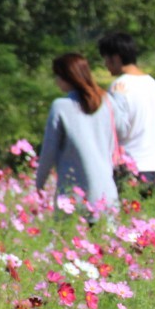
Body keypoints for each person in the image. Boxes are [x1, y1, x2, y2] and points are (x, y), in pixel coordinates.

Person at [36, 54, 120, 218]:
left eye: (57, 76)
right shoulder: (107, 102)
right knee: (105, 243)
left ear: (66, 78)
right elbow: (122, 129)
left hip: (74, 196)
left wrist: (40, 182)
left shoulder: (61, 106)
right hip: (106, 194)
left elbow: (49, 151)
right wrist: (120, 98)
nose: (56, 81)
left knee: (70, 241)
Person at [97, 32, 155, 196]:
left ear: (115, 58)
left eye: (106, 59)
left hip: (128, 168)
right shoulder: (153, 85)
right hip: (154, 166)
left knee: (126, 218)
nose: (105, 64)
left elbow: (111, 127)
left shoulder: (119, 86)